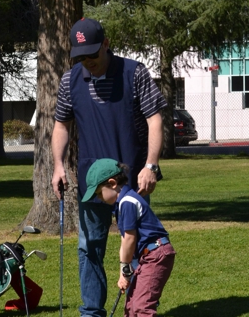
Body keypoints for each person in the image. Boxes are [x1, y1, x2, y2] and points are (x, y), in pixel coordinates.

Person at [51, 17, 167, 317]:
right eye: (81, 56)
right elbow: (61, 125)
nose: (87, 62)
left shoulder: (134, 72)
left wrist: (151, 165)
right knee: (89, 247)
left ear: (106, 44)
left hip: (132, 182)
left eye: (92, 54)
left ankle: (136, 309)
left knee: (138, 246)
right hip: (92, 184)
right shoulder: (69, 80)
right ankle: (92, 311)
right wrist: (58, 165)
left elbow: (155, 119)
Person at [82, 159, 175, 317]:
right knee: (131, 306)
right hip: (148, 256)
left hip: (156, 255)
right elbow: (126, 239)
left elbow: (129, 240)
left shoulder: (128, 202)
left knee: (141, 306)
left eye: (99, 193)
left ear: (112, 183)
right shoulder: (122, 204)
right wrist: (123, 272)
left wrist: (125, 268)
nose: (99, 198)